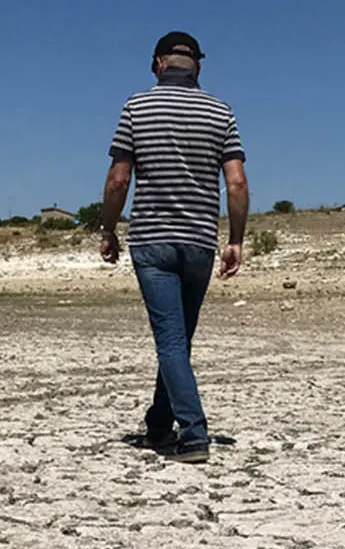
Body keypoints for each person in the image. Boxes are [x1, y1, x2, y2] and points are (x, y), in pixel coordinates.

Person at [99, 31, 249, 464]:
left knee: (169, 340)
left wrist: (108, 229)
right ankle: (158, 425)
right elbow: (236, 182)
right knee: (177, 340)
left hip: (152, 240)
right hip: (200, 240)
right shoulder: (221, 112)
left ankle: (194, 433)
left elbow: (118, 179)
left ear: (157, 64)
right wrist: (235, 239)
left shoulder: (136, 106)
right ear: (197, 66)